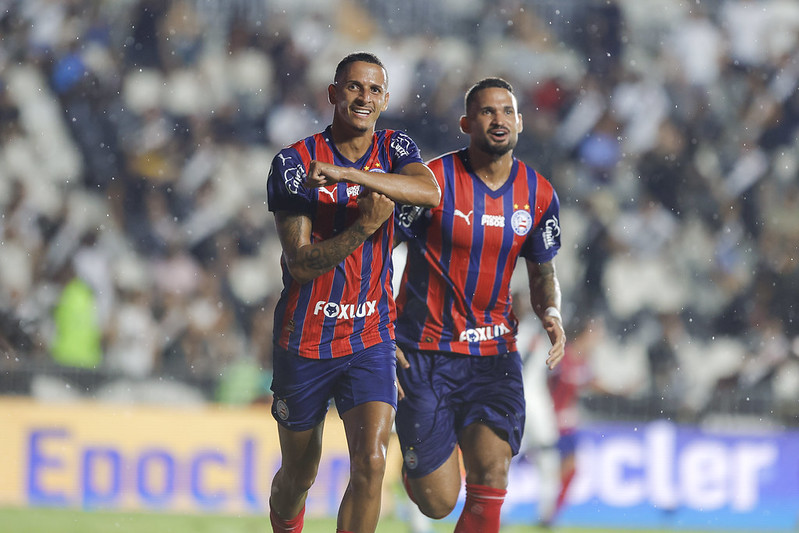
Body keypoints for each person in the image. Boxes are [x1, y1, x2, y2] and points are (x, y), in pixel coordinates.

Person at [265, 52, 441, 533]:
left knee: (373, 461)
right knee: (299, 475)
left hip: (369, 336)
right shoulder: (293, 164)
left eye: (374, 90)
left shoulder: (395, 147)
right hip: (304, 339)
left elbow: (430, 193)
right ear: (333, 93)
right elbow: (300, 265)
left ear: (385, 99)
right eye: (354, 87)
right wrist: (364, 228)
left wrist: (350, 176)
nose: (364, 97)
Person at [393, 77, 566, 533]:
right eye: (487, 112)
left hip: (493, 355)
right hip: (424, 352)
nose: (498, 120)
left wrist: (551, 312)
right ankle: (420, 468)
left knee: (492, 475)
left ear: (520, 123)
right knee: (438, 501)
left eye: (507, 111)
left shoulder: (539, 194)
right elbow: (384, 251)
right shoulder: (432, 180)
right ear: (467, 123)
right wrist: (379, 327)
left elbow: (543, 270)